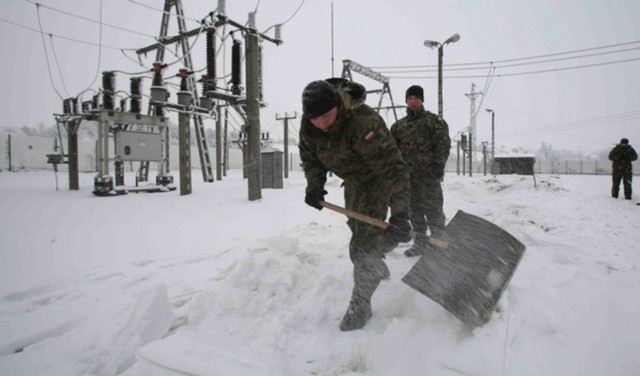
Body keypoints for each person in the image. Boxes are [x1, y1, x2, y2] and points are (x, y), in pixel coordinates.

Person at [299, 78, 412, 331]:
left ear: (338, 105)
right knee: (359, 228)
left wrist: (401, 215)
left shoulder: (362, 123)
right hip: (354, 180)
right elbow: (310, 158)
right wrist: (314, 185)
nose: (321, 124)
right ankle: (376, 263)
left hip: (378, 176)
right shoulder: (310, 124)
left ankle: (361, 302)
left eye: (327, 116)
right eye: (315, 119)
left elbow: (393, 170)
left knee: (363, 243)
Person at [390, 85, 451, 257]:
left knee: (434, 211)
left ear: (422, 100)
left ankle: (439, 243)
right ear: (406, 101)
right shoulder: (398, 127)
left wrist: (439, 165)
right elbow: (391, 151)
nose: (413, 101)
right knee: (414, 212)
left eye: (416, 98)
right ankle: (420, 243)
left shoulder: (434, 122)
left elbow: (442, 144)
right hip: (408, 179)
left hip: (429, 176)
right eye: (410, 98)